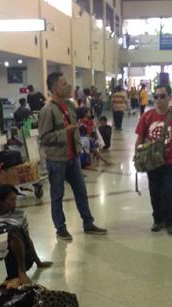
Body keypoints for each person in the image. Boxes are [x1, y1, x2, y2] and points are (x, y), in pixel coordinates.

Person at [38, 72, 108, 241]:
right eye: (63, 84)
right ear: (54, 88)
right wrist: (65, 131)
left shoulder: (70, 104)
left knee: (81, 191)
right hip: (57, 160)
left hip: (72, 157)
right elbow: (45, 138)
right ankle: (60, 228)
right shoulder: (47, 110)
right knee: (57, 195)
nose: (68, 86)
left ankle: (88, 223)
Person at [134, 84, 172, 235]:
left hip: (169, 161)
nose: (158, 99)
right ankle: (157, 220)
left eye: (162, 96)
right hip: (152, 162)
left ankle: (168, 221)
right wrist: (137, 157)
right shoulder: (147, 116)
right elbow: (139, 139)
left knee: (167, 192)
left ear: (169, 98)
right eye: (156, 96)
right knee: (154, 192)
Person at [0, 185, 53, 288]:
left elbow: (27, 239)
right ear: (0, 201)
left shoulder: (20, 214)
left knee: (13, 231)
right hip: (0, 258)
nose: (15, 203)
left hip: (20, 259)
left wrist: (38, 262)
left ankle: (21, 272)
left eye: (15, 199)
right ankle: (10, 278)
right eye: (11, 200)